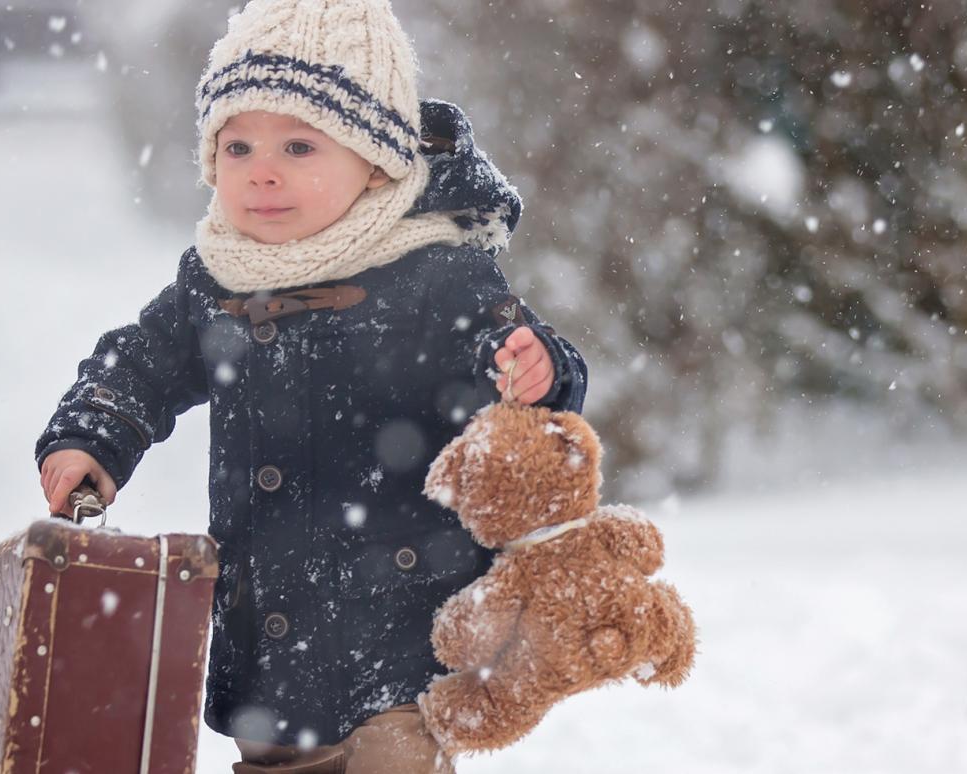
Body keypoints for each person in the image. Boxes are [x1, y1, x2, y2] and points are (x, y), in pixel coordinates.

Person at [32, 1, 587, 770]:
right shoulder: (218, 278)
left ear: (376, 159)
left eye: (299, 145)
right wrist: (92, 431)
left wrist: (535, 368)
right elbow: (141, 362)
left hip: (403, 628)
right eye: (237, 145)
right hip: (272, 638)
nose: (263, 169)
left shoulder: (434, 269)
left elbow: (518, 346)